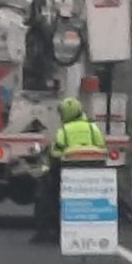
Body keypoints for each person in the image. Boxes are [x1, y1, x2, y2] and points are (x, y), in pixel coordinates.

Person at [31, 97, 105, 244]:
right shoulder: (93, 128)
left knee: (47, 196)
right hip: (93, 175)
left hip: (69, 173)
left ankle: (47, 232)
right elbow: (102, 149)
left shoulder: (64, 131)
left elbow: (55, 154)